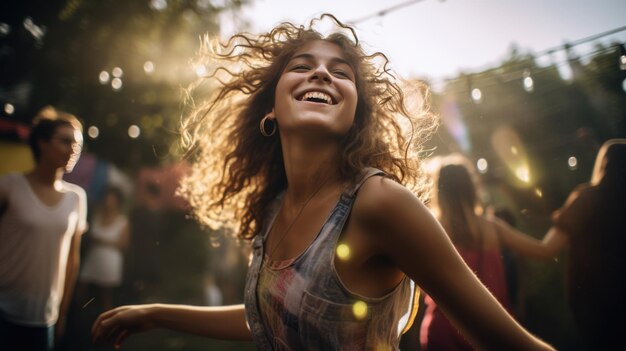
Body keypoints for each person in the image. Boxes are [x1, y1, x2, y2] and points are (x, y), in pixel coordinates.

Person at [92, 14, 554, 350]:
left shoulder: (379, 203)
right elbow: (271, 317)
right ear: (270, 108)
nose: (321, 73)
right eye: (303, 65)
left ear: (356, 113)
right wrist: (155, 313)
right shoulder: (273, 209)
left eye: (341, 72)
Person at [492, 139, 626, 350]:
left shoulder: (588, 199)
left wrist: (498, 228)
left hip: (598, 306)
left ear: (604, 165)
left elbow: (545, 249)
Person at [0, 106, 88, 350]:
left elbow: (73, 259)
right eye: (65, 141)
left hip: (43, 321)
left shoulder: (77, 198)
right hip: (3, 312)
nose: (73, 149)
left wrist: (62, 314)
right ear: (42, 143)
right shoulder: (9, 186)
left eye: (78, 145)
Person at [419, 156, 515, 350]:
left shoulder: (432, 229)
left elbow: (421, 287)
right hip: (491, 330)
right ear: (471, 188)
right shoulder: (491, 227)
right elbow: (545, 249)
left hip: (444, 330)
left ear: (439, 191)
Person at [78, 186, 129, 310]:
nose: (108, 201)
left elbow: (123, 244)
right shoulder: (96, 216)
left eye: (111, 199)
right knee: (81, 290)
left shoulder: (123, 221)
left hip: (110, 261)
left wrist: (102, 241)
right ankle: (77, 317)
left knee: (106, 295)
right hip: (92, 258)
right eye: (107, 198)